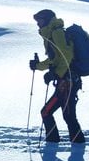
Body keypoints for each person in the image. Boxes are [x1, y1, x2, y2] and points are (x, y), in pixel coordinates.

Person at [29, 9, 85, 144]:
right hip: (66, 80)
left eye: (40, 20)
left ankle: (57, 143)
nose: (38, 24)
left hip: (67, 81)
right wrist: (38, 66)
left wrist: (55, 73)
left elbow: (66, 55)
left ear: (47, 19)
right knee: (66, 115)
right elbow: (55, 59)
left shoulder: (57, 33)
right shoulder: (52, 33)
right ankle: (71, 143)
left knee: (52, 113)